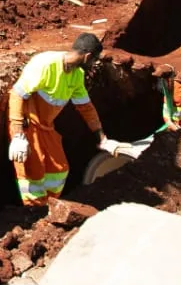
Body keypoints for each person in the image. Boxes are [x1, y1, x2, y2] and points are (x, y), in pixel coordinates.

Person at [7, 33, 116, 206]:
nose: (94, 64)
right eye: (94, 60)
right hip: (28, 125)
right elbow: (17, 95)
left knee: (59, 169)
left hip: (46, 126)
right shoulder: (45, 65)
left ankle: (50, 206)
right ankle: (32, 212)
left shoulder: (76, 75)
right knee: (34, 171)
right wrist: (18, 135)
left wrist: (103, 139)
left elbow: (86, 107)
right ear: (87, 56)